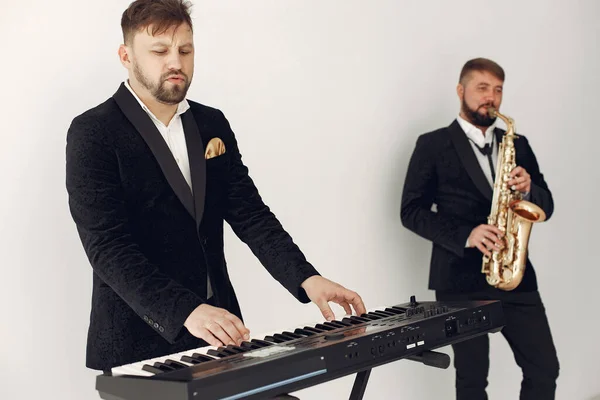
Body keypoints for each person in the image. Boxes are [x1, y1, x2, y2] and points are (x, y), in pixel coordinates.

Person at [64, 0, 366, 392]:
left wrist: (307, 278)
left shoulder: (211, 123)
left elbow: (251, 215)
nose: (176, 62)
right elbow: (107, 247)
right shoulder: (92, 132)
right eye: (159, 51)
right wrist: (185, 310)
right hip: (138, 345)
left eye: (185, 50)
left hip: (220, 334)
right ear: (126, 56)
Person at [400, 58, 559, 399]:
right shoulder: (432, 145)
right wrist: (466, 235)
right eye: (482, 88)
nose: (492, 97)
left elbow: (546, 205)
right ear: (461, 91)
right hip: (460, 280)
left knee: (545, 368)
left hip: (515, 276)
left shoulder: (519, 144)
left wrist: (530, 189)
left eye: (498, 89)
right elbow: (411, 211)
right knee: (472, 380)